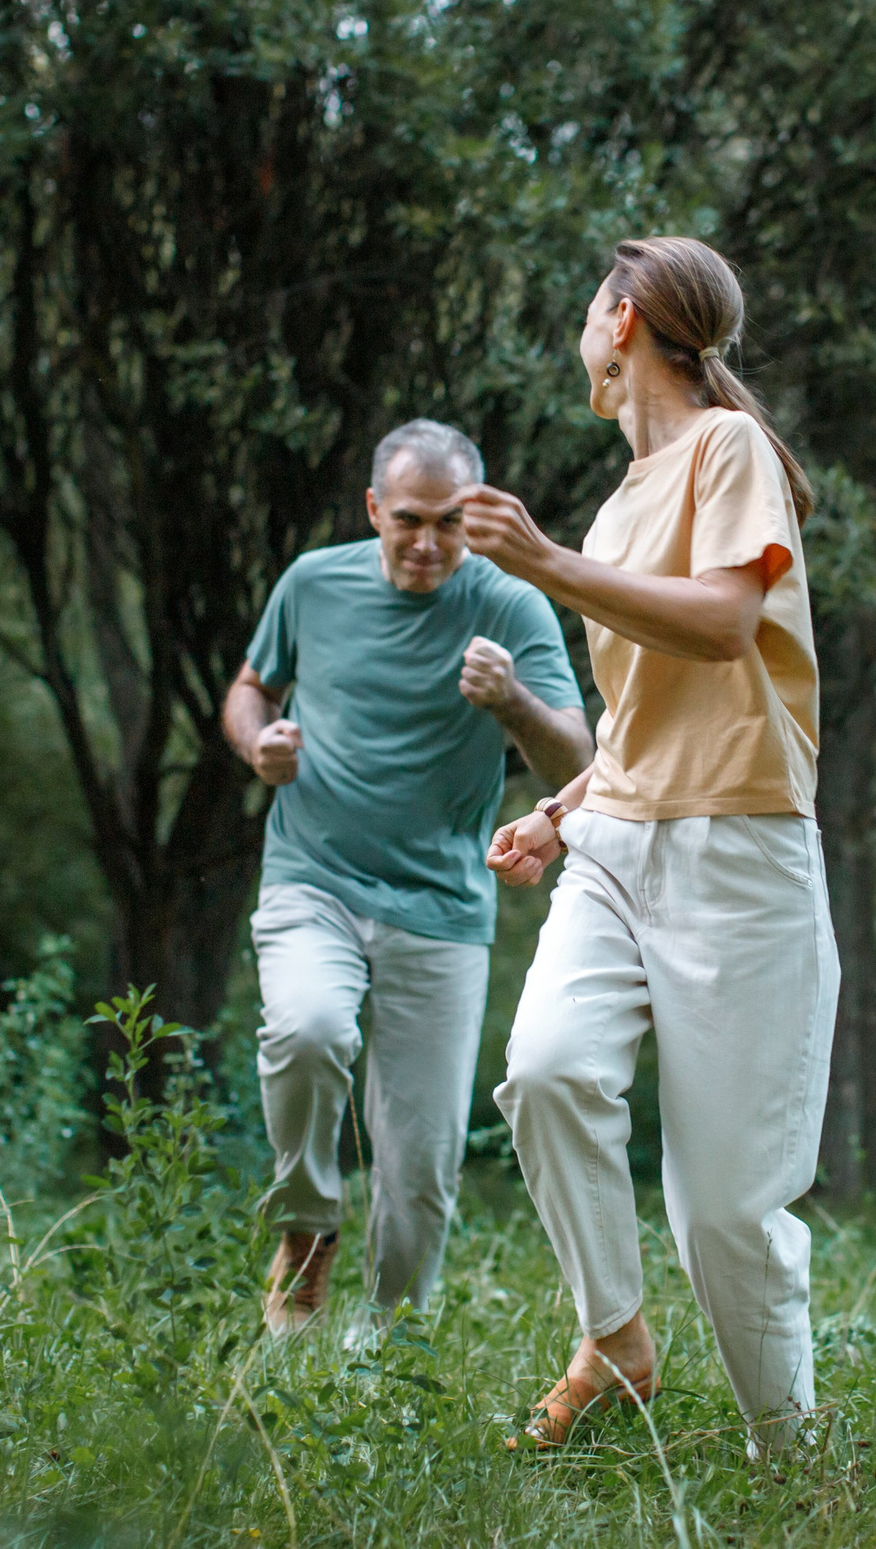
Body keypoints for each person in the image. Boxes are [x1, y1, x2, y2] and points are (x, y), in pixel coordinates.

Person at [463, 236, 837, 1460]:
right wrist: (563, 810)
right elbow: (639, 720)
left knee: (723, 1215)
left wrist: (545, 566)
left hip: (738, 854)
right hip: (619, 842)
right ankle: (616, 1338)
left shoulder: (727, 452)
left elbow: (725, 628)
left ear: (622, 320)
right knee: (549, 1069)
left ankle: (789, 1457)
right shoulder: (619, 501)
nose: (581, 323)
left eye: (588, 302)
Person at [223, 418, 593, 1334]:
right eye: (410, 521)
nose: (429, 544)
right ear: (373, 510)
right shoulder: (313, 584)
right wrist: (256, 743)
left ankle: (389, 1354)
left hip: (441, 905)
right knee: (307, 1030)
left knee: (419, 1166)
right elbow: (249, 688)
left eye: (451, 523)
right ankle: (306, 1234)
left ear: (475, 517)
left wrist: (511, 701)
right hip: (313, 874)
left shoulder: (511, 606)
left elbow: (575, 759)